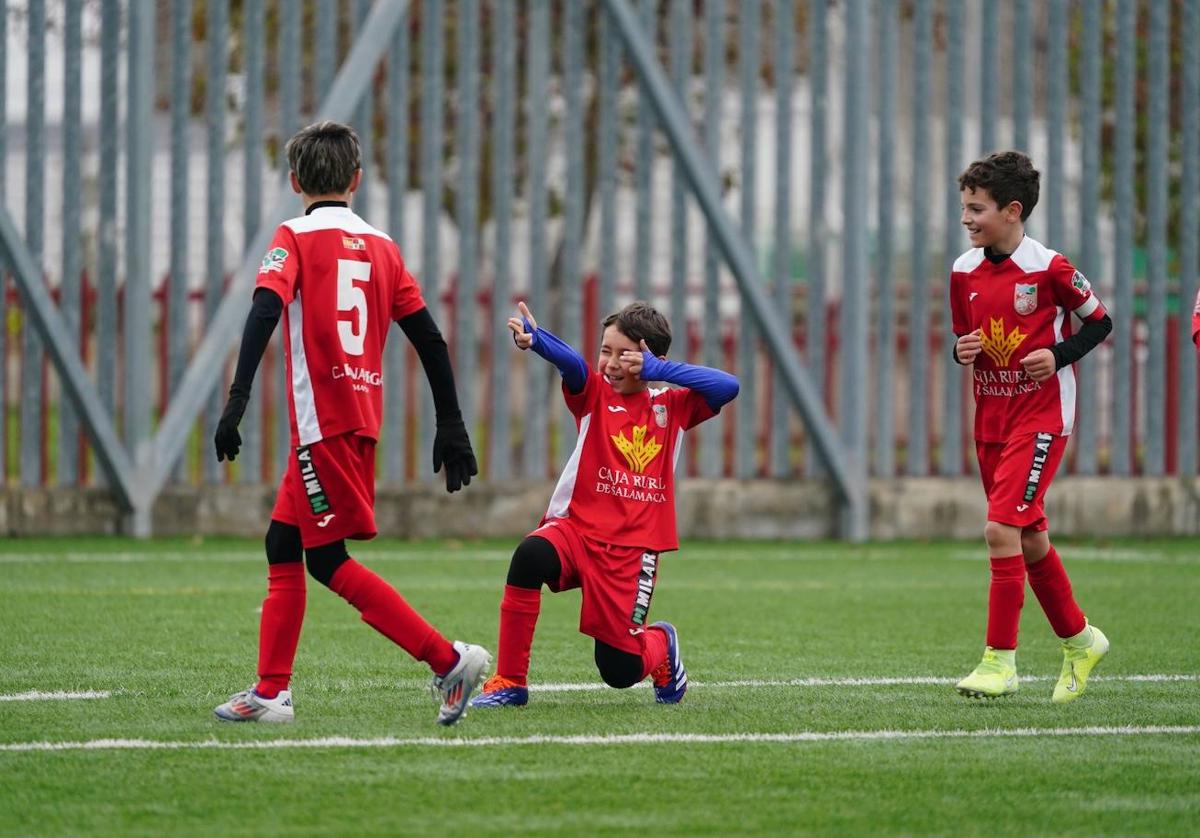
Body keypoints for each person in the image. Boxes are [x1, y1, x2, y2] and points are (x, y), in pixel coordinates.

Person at [211, 121, 490, 726]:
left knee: (328, 560)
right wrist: (452, 423)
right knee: (282, 542)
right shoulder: (384, 247)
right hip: (357, 420)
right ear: (357, 180)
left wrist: (236, 398)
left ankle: (447, 660)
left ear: (294, 182)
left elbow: (265, 307)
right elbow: (430, 339)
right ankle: (271, 691)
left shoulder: (294, 236)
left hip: (323, 428)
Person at [469, 300, 738, 708]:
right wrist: (538, 341)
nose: (609, 363)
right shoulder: (593, 393)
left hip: (631, 551)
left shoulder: (674, 407)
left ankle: (660, 644)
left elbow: (727, 387)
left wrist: (659, 372)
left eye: (623, 355)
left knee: (618, 670)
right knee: (530, 556)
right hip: (578, 530)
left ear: (651, 360)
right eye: (606, 350)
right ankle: (510, 681)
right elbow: (575, 366)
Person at [950, 150, 1112, 703]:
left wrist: (1060, 355)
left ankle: (999, 661)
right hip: (990, 416)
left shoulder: (1052, 268)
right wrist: (960, 350)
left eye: (977, 209)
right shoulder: (962, 271)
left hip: (1042, 416)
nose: (967, 218)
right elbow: (965, 335)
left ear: (1012, 211)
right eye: (965, 208)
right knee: (1030, 536)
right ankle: (1080, 639)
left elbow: (1101, 321)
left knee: (1000, 529)